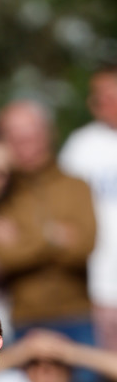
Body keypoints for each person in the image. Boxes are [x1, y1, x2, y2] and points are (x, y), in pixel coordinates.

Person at [0, 99, 97, 347]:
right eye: (14, 136)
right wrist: (53, 238)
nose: (24, 144)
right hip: (24, 319)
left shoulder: (76, 186)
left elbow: (83, 248)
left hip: (77, 315)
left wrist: (24, 241)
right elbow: (4, 259)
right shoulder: (1, 194)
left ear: (48, 133)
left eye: (30, 134)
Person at [59, 64, 117, 351]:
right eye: (98, 95)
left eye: (110, 93)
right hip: (98, 285)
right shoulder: (81, 146)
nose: (103, 102)